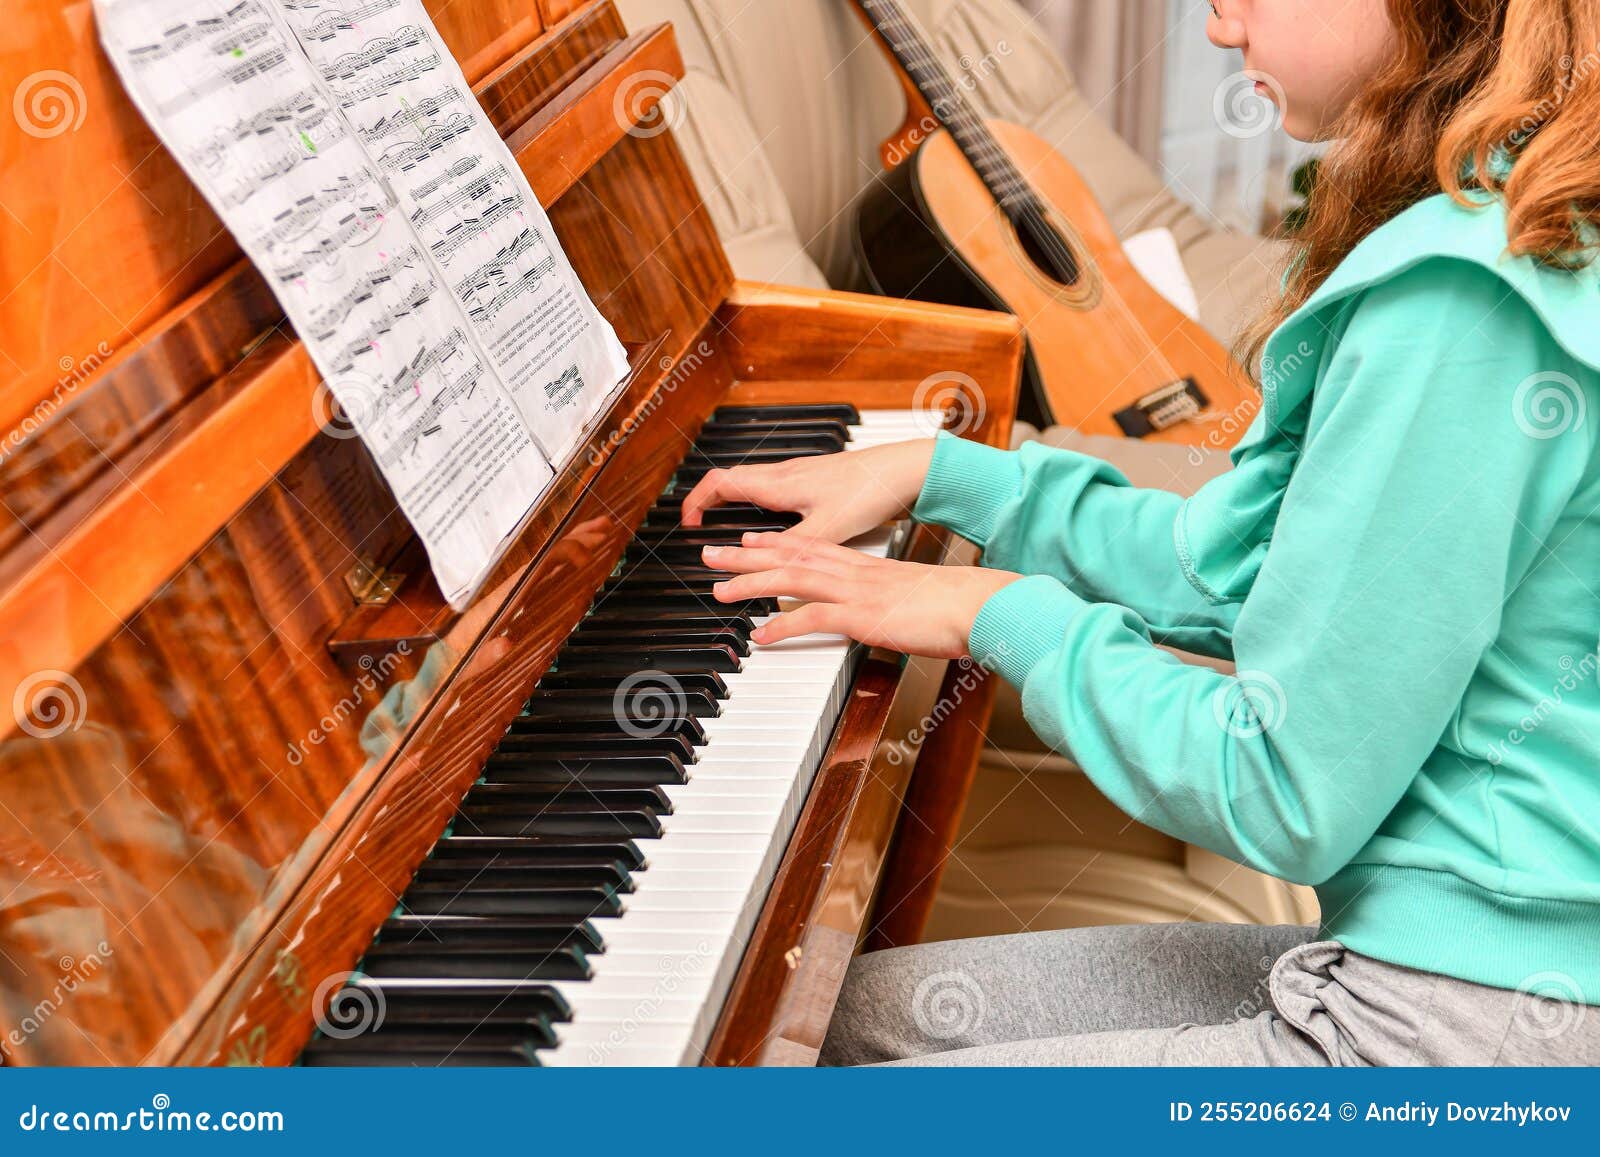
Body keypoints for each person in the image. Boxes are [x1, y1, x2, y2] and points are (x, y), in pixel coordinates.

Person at [679, 0, 1600, 1065]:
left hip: (1468, 1034)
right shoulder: (1515, 215)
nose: (1216, 28)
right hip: (1462, 970)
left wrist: (997, 613)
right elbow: (1250, 569)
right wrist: (958, 479)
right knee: (838, 1021)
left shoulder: (1465, 301)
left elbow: (1282, 787)